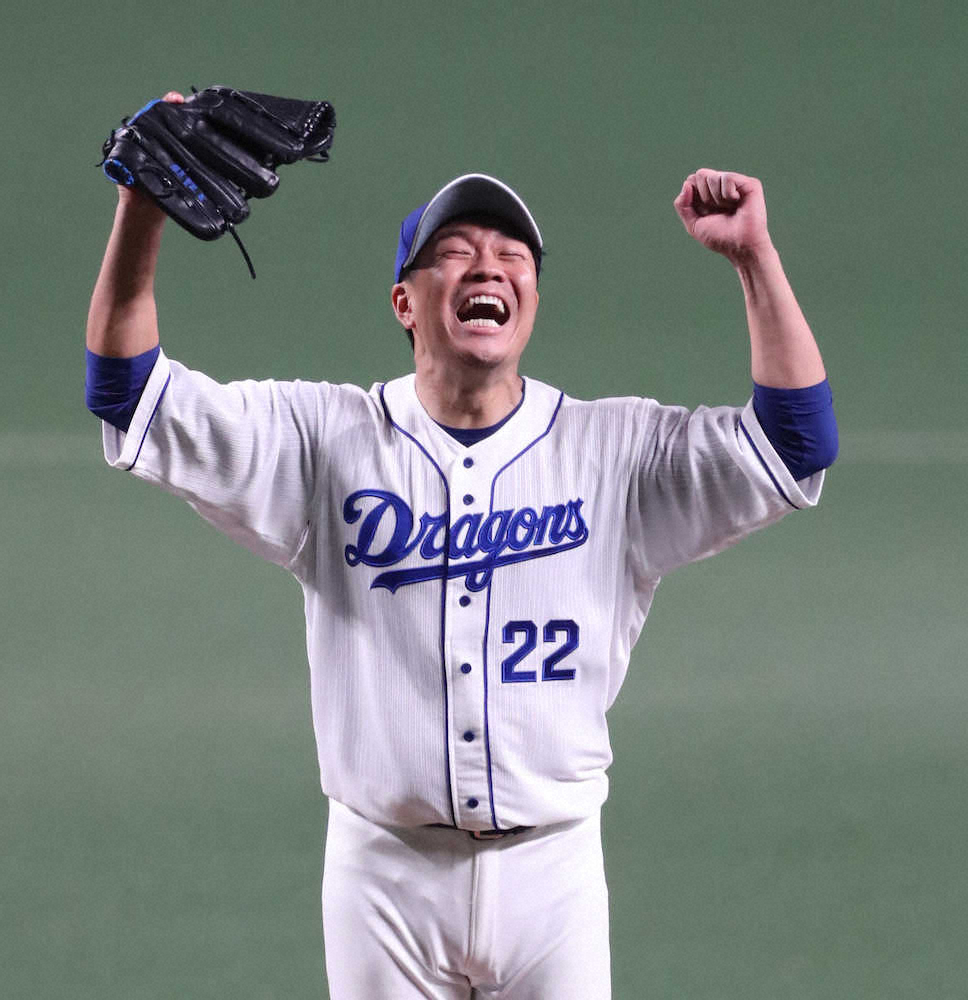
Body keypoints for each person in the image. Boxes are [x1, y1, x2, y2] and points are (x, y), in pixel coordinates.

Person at [86, 94, 837, 999]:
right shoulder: (324, 440)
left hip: (553, 876)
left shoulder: (615, 452)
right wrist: (141, 207)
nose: (489, 264)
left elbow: (796, 443)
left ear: (532, 301)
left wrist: (755, 258)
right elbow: (127, 390)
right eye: (455, 251)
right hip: (382, 878)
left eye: (513, 255)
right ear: (404, 302)